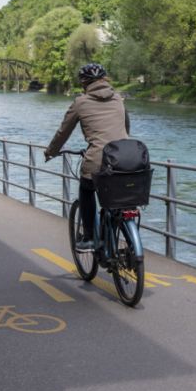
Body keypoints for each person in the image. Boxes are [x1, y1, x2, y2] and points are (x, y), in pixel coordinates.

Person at [45, 63, 130, 251]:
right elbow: (125, 129)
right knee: (116, 198)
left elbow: (63, 132)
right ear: (105, 79)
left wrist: (51, 152)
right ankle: (117, 234)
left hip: (99, 159)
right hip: (126, 157)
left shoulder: (80, 102)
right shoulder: (118, 99)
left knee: (86, 188)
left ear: (83, 82)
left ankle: (90, 237)